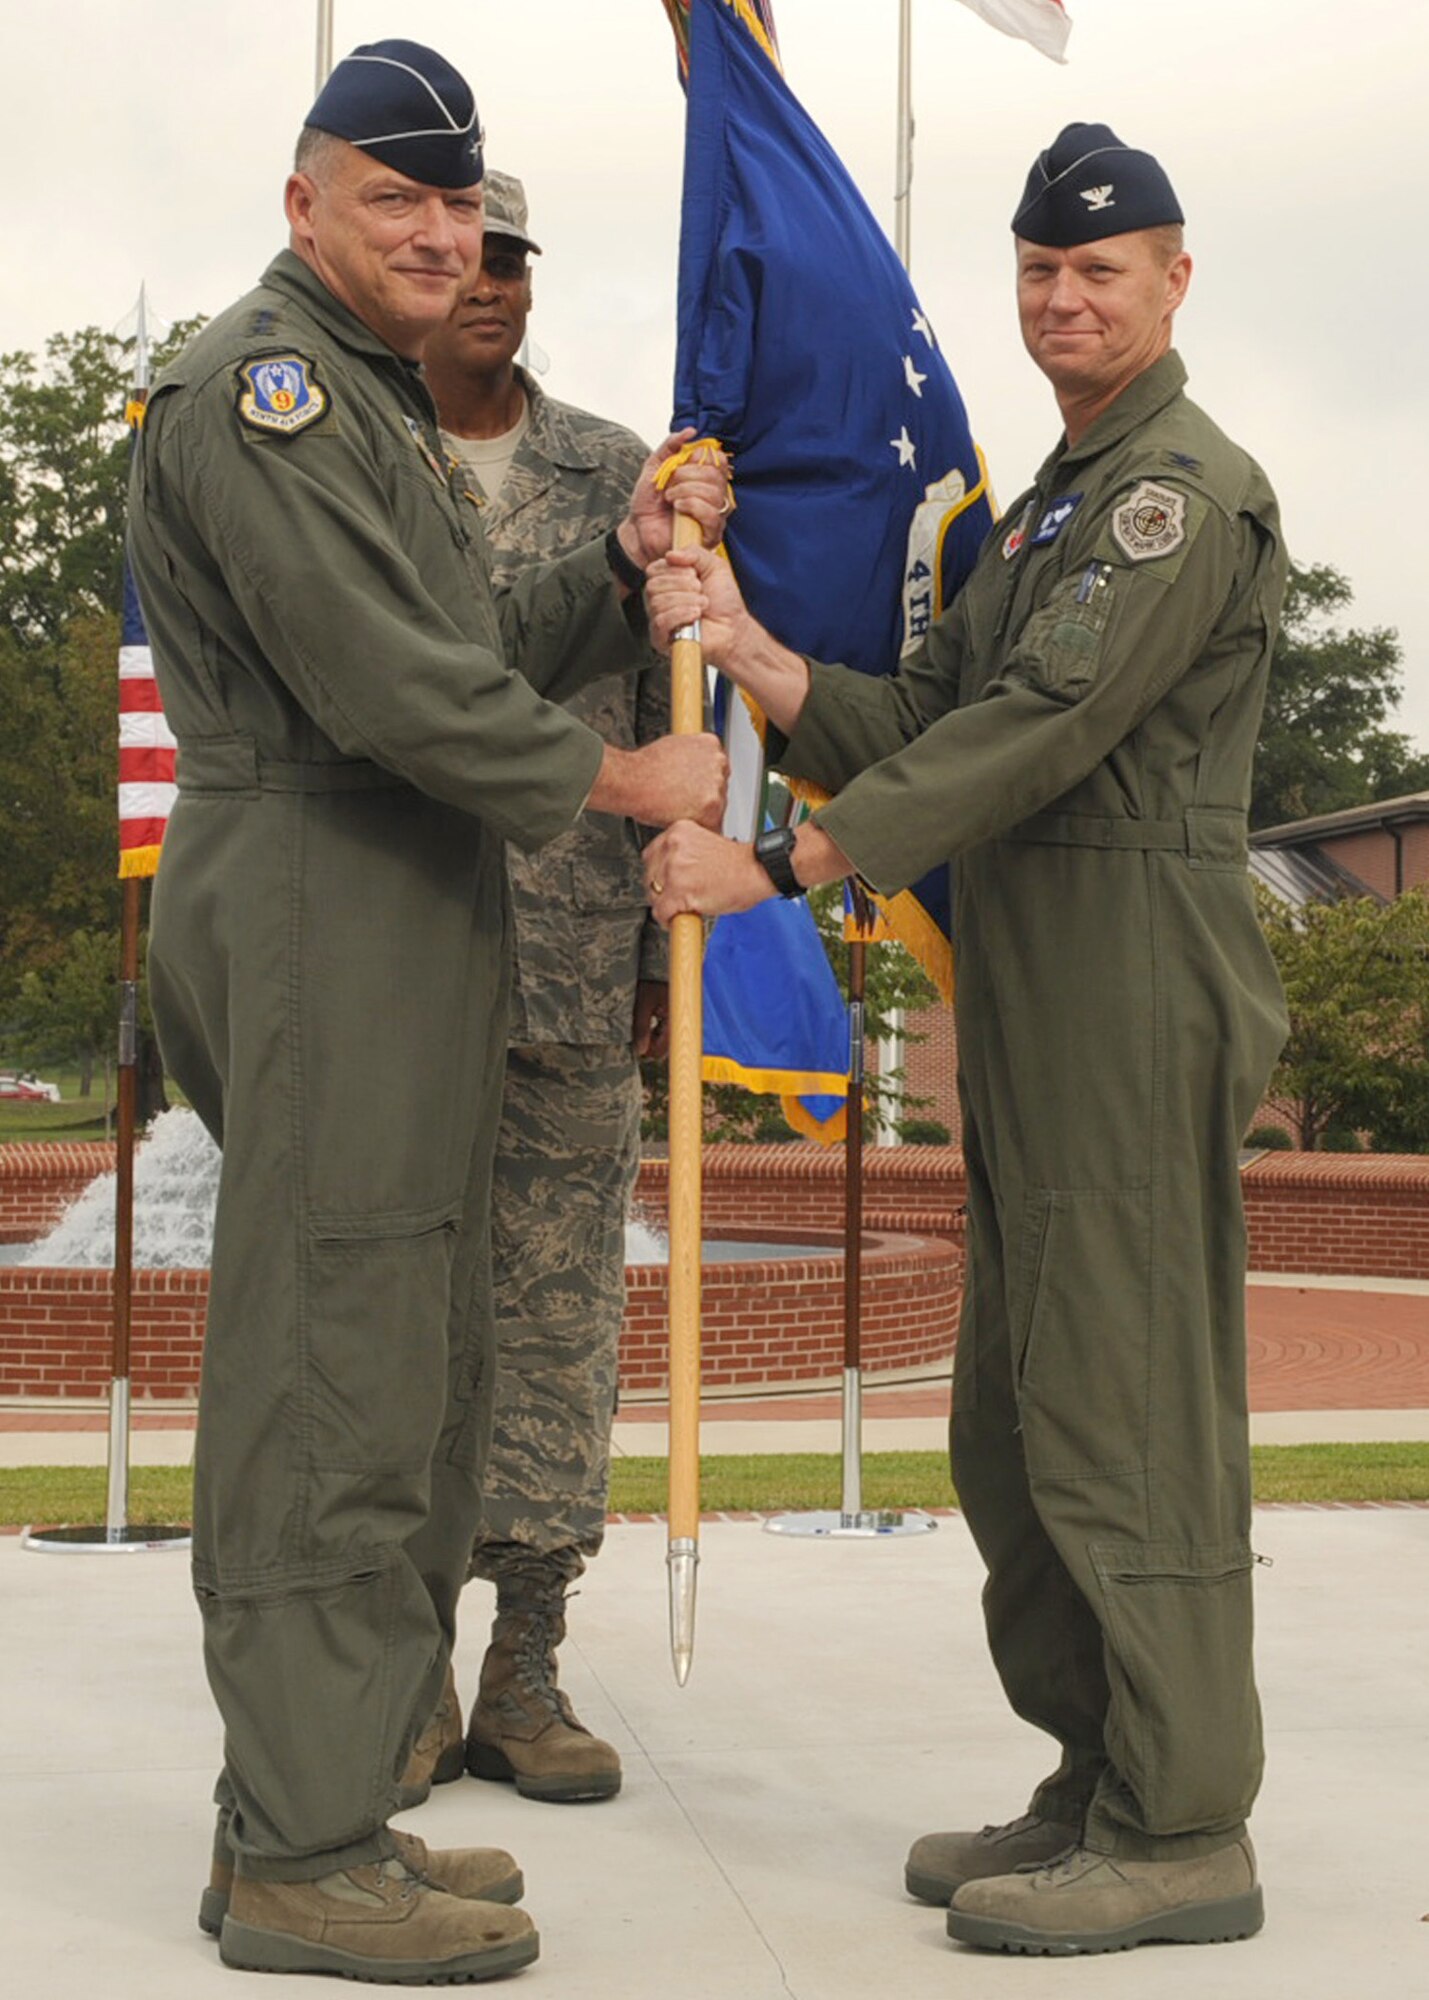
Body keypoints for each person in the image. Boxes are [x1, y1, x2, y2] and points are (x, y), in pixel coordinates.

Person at [641, 123, 1288, 1957]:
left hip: (1128, 973)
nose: (1062, 298)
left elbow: (1036, 732)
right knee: (1016, 1418)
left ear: (1173, 280)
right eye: (1038, 271)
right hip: (1034, 983)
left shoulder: (1172, 494)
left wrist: (779, 863)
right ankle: (1097, 1774)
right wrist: (747, 640)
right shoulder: (1054, 508)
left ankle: (1182, 1826)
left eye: (1101, 269)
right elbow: (930, 703)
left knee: (1123, 1410)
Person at [127, 40, 727, 1987]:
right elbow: (386, 686)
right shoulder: (272, 385)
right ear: (305, 203)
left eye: (458, 205)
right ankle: (302, 1848)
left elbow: (456, 649)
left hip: (389, 892)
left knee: (396, 1362)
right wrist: (620, 780)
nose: (439, 233)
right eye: (397, 197)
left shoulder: (367, 394)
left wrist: (608, 592)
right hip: (323, 887)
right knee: (331, 1369)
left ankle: (303, 1815)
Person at [399, 171, 668, 1807]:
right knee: (402, 1324)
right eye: (462, 255)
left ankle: (526, 1666)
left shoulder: (613, 474)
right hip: (400, 954)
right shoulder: (356, 455)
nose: (487, 283)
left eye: (510, 259)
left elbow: (654, 705)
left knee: (562, 1324)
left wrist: (652, 954)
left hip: (571, 961)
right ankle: (400, 1668)